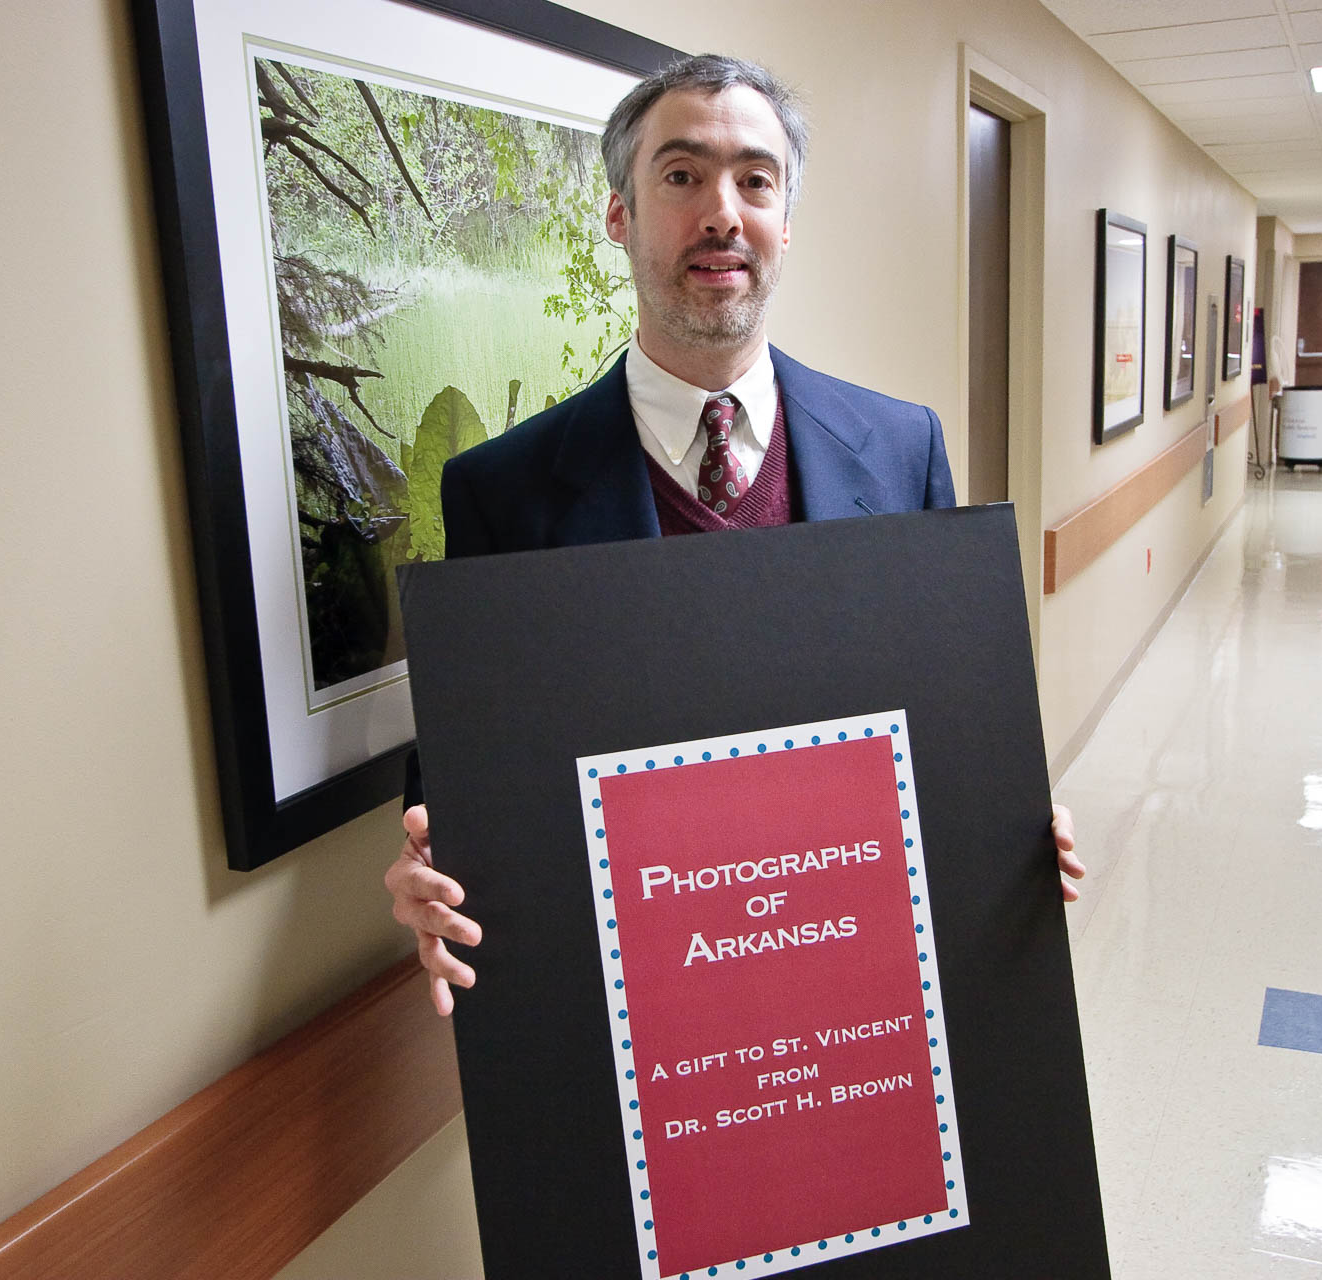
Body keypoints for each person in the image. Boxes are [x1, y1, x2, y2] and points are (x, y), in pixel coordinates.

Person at [385, 54, 1082, 1015]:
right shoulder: (501, 491)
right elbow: (470, 744)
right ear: (620, 217)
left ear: (786, 223)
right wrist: (433, 851)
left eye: (756, 180)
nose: (723, 211)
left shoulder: (901, 447)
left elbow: (940, 701)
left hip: (851, 954)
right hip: (642, 985)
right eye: (681, 176)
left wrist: (999, 813)